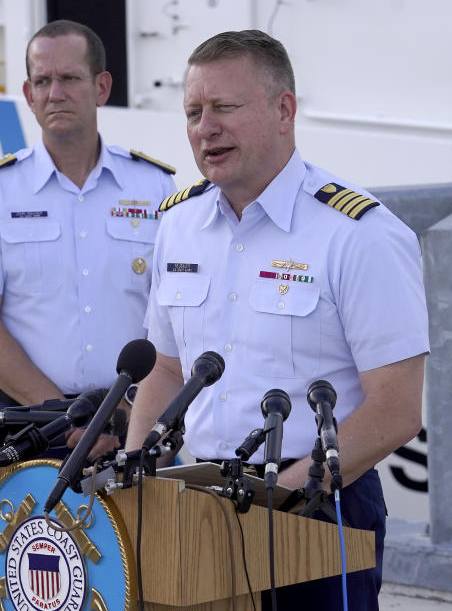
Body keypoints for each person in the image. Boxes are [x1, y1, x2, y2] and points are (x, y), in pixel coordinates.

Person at [125, 30, 429, 610]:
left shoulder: (357, 234)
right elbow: (165, 368)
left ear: (284, 109)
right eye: (193, 112)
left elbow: (395, 409)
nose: (204, 128)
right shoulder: (178, 224)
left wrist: (277, 499)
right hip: (195, 504)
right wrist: (138, 477)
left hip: (317, 509)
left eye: (224, 109)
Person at [0, 20, 176, 457]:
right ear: (28, 96)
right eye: (42, 81)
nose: (55, 93)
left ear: (101, 87)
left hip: (136, 425)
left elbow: (178, 317)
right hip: (29, 428)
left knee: (146, 530)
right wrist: (64, 415)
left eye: (69, 78)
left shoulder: (156, 188)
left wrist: (125, 413)